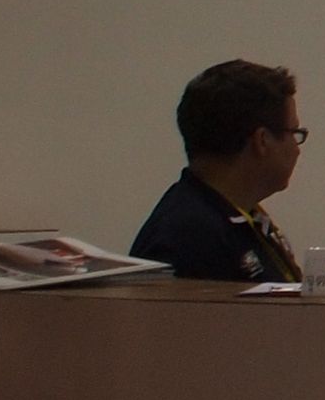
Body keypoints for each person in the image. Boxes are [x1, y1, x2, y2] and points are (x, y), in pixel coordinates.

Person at [132, 58, 308, 282]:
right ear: (262, 141)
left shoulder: (243, 219)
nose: (297, 150)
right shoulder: (187, 239)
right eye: (294, 133)